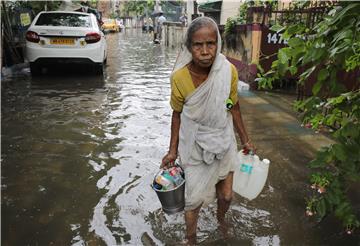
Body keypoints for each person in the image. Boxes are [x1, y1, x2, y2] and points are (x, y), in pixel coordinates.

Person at [161, 17, 255, 245]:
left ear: (218, 43)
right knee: (192, 202)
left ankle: (221, 221)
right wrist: (172, 151)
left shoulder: (228, 71)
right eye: (198, 45)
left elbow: (232, 105)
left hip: (223, 140)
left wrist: (245, 139)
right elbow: (177, 114)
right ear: (189, 47)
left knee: (226, 196)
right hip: (195, 146)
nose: (205, 51)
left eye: (210, 44)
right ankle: (190, 238)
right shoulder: (180, 78)